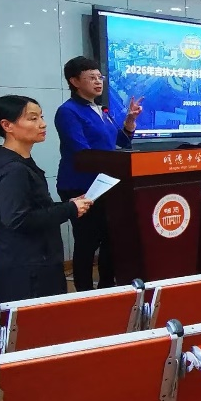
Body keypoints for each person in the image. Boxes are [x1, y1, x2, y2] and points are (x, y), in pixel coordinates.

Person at [0, 96, 93, 302]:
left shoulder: (19, 161)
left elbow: (34, 207)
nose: (42, 124)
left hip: (36, 263)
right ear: (7, 125)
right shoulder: (13, 170)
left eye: (41, 117)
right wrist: (70, 209)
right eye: (32, 118)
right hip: (27, 271)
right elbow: (18, 219)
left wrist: (69, 205)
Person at [54, 56, 142, 290]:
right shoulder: (68, 111)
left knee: (110, 237)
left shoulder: (101, 110)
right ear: (74, 81)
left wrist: (130, 120)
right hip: (80, 185)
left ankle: (106, 286)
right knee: (87, 241)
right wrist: (116, 164)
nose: (98, 81)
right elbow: (82, 152)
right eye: (91, 77)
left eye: (99, 77)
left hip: (106, 183)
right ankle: (84, 292)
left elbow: (121, 141)